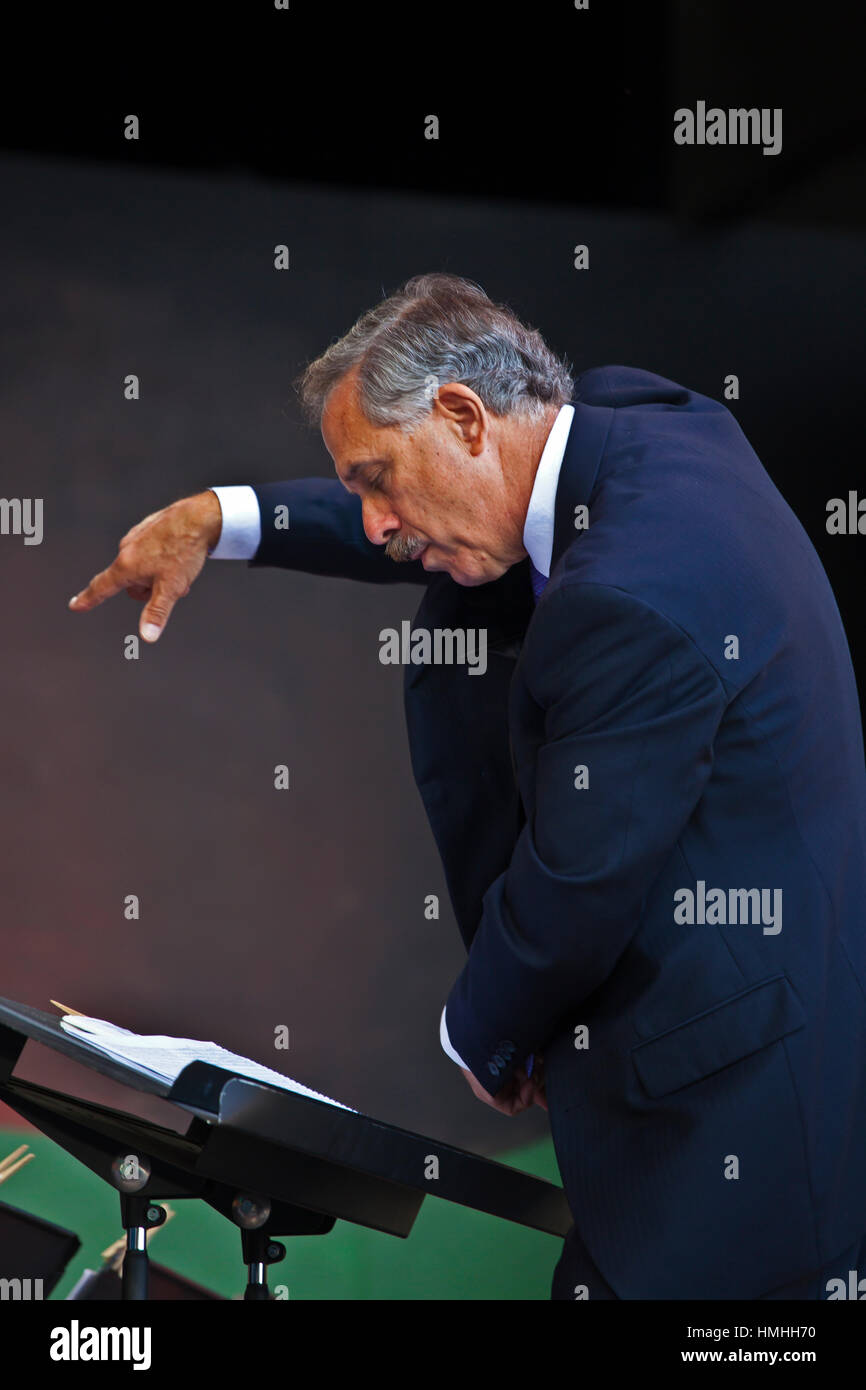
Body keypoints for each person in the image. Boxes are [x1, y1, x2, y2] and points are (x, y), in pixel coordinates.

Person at [69, 273, 866, 1299]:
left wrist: (481, 1035)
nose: (371, 522)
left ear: (462, 414)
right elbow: (418, 523)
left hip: (730, 1139)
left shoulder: (633, 592)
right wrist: (221, 518)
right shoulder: (637, 421)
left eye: (373, 478)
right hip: (736, 1061)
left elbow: (576, 877)